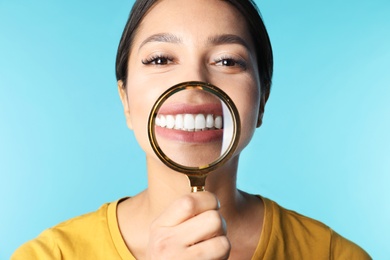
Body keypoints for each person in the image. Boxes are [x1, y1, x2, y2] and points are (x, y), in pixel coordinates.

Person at [12, 0, 371, 259]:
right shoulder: (49, 255)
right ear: (125, 99)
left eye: (228, 61)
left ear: (262, 100)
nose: (194, 83)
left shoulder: (331, 254)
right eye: (161, 59)